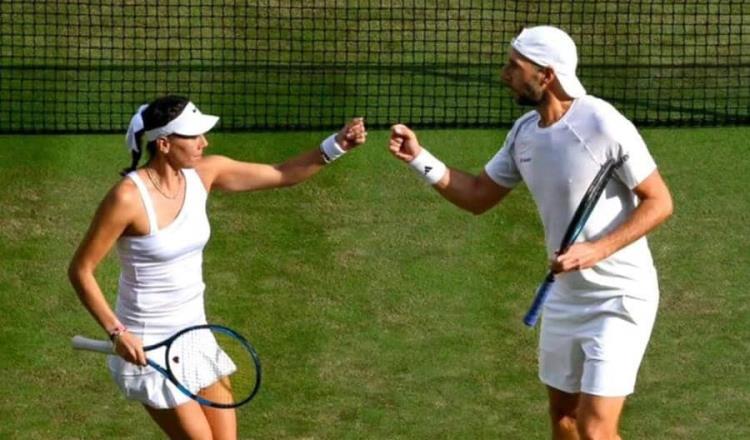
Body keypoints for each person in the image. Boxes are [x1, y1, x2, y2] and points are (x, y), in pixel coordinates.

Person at [388, 26, 672, 440]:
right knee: (565, 420)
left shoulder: (602, 123)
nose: (504, 74)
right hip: (565, 298)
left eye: (513, 66)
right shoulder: (524, 133)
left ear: (546, 75)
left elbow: (659, 201)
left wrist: (596, 250)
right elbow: (478, 195)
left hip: (620, 298)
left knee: (595, 430)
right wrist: (419, 159)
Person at [68, 95, 366, 439]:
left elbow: (281, 174)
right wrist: (117, 332)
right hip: (149, 345)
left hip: (195, 334)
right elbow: (81, 270)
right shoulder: (128, 198)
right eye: (193, 137)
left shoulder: (205, 173)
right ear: (164, 144)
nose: (204, 143)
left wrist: (337, 145)